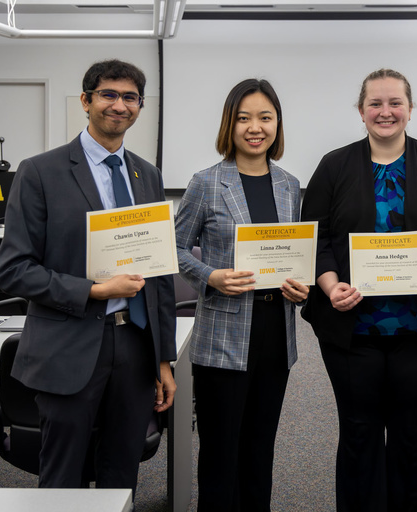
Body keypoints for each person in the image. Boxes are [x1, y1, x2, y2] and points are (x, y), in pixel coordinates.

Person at [300, 68, 417, 511]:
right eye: (375, 104)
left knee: (414, 433)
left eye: (395, 103)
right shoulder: (334, 165)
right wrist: (330, 285)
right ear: (360, 111)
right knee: (358, 432)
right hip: (350, 328)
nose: (386, 112)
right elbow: (314, 237)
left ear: (410, 109)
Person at [0, 59, 177, 493]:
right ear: (86, 100)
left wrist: (164, 359)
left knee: (121, 472)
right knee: (63, 476)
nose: (119, 105)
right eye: (108, 94)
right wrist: (95, 290)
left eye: (130, 97)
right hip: (70, 345)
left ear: (140, 106)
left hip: (135, 347)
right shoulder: (40, 171)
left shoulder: (147, 175)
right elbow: (14, 269)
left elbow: (161, 276)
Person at [174, 78, 308, 511]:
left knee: (259, 450)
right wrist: (210, 276)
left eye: (265, 118)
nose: (256, 127)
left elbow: (296, 254)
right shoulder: (206, 183)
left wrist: (301, 286)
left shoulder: (290, 184)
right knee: (220, 454)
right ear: (230, 125)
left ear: (277, 124)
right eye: (244, 118)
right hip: (223, 336)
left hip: (275, 334)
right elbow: (172, 250)